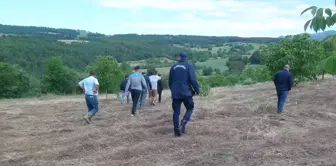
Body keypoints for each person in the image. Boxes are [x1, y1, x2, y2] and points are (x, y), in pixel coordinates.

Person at [169, 52, 200, 137]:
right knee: (190, 108)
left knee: (176, 112)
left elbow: (170, 81)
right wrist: (197, 90)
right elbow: (193, 79)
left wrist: (173, 90)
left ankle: (176, 130)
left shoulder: (173, 66)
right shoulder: (189, 66)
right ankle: (183, 123)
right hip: (186, 92)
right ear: (185, 58)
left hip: (175, 93)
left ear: (179, 57)